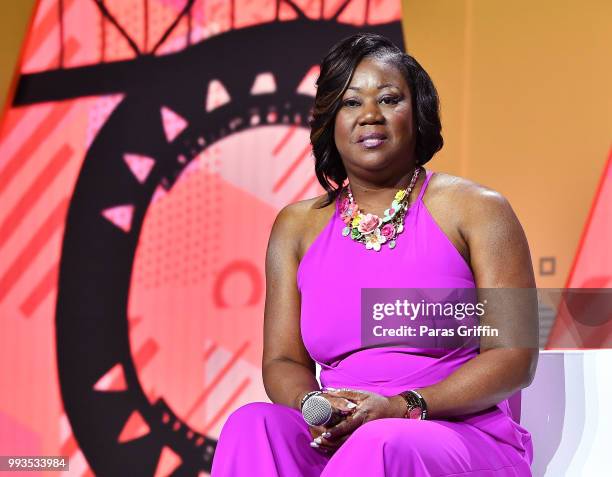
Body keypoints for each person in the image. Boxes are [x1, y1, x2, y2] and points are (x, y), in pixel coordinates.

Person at [210, 33, 538, 476]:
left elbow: (514, 356)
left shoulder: (479, 210)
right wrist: (314, 406)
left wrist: (403, 406)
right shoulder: (296, 227)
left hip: (454, 430)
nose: (369, 116)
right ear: (330, 120)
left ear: (417, 114)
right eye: (350, 103)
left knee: (381, 441)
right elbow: (284, 360)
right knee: (253, 425)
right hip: (341, 433)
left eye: (388, 99)